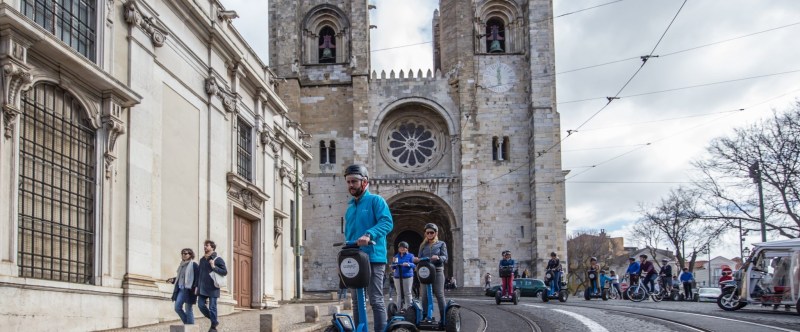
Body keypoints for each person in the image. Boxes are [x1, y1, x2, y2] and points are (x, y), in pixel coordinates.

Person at [343, 164, 393, 332]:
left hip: (373, 257)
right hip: (355, 259)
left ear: (364, 182)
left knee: (375, 299)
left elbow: (387, 222)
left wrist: (369, 234)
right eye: (348, 182)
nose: (351, 185)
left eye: (354, 181)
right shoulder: (350, 209)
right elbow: (349, 235)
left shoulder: (376, 201)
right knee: (357, 300)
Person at [415, 223, 448, 323]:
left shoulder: (441, 244)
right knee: (424, 295)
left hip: (437, 271)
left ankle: (444, 317)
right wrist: (417, 260)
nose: (429, 234)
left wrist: (438, 258)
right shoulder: (423, 245)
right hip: (426, 272)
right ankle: (425, 316)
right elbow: (419, 257)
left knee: (439, 294)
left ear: (435, 233)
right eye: (427, 232)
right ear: (425, 233)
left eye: (431, 232)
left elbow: (445, 258)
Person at [197, 240, 227, 332]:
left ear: (212, 247)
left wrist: (214, 267)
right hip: (202, 287)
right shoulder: (202, 260)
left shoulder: (218, 259)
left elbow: (225, 272)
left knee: (212, 307)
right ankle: (214, 320)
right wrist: (196, 286)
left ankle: (213, 327)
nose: (205, 247)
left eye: (207, 245)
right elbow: (199, 273)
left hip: (213, 287)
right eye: (205, 245)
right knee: (201, 305)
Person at [168, 248, 199, 324]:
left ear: (190, 255)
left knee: (188, 309)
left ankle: (190, 327)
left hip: (189, 289)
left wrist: (196, 288)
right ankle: (189, 326)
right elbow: (181, 278)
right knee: (177, 308)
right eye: (182, 253)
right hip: (181, 289)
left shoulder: (194, 265)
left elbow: (198, 277)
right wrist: (173, 280)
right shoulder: (181, 265)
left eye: (185, 253)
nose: (183, 255)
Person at [392, 241, 415, 309]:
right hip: (397, 276)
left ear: (407, 249)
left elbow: (414, 265)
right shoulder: (396, 256)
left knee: (407, 293)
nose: (402, 249)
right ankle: (399, 309)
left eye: (403, 247)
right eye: (400, 247)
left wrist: (408, 264)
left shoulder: (410, 255)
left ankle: (409, 308)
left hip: (407, 276)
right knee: (399, 294)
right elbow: (394, 267)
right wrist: (393, 266)